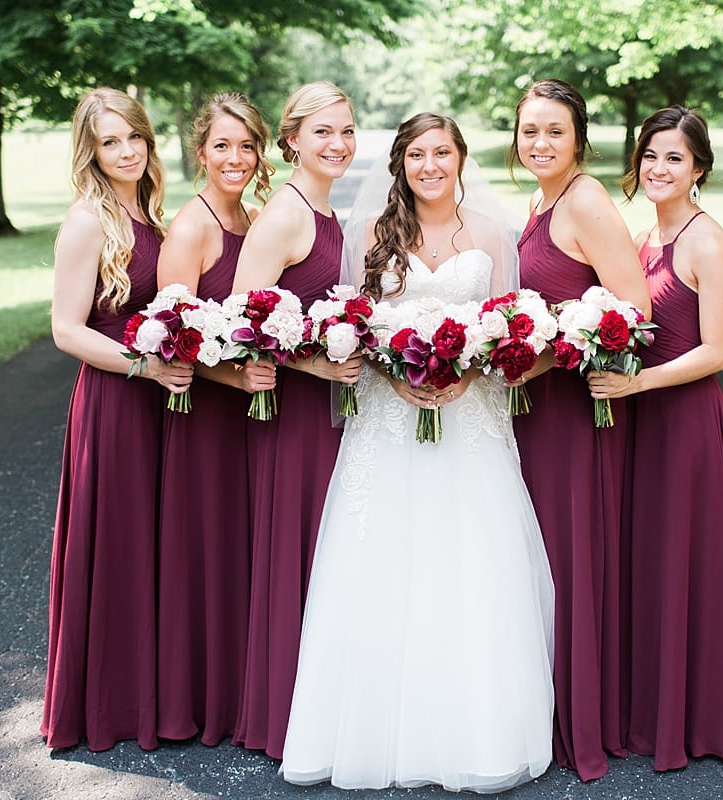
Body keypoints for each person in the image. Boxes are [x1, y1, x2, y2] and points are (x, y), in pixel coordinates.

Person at [280, 112, 554, 792]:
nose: (429, 165)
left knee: (471, 559)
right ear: (399, 163)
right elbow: (355, 328)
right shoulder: (372, 234)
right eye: (416, 154)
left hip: (471, 421)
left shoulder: (493, 234)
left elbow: (508, 330)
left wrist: (466, 373)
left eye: (442, 152)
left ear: (461, 157)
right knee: (383, 556)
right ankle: (369, 733)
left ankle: (478, 735)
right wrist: (394, 378)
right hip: (388, 421)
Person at [590, 105, 723, 771]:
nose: (659, 168)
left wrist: (638, 385)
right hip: (642, 417)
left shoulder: (704, 240)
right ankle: (646, 711)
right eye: (651, 155)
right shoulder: (642, 238)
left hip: (683, 421)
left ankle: (694, 721)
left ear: (699, 169)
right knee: (646, 560)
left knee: (682, 560)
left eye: (675, 159)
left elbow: (716, 352)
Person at [508, 78, 652, 781]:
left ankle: (583, 719)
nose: (539, 142)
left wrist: (544, 357)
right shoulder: (541, 199)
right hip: (536, 411)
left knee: (570, 555)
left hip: (572, 409)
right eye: (529, 130)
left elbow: (631, 309)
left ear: (579, 139)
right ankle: (546, 703)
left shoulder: (587, 200)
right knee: (540, 558)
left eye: (554, 132)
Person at [41, 87, 192, 751]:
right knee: (118, 548)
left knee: (153, 547)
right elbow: (66, 330)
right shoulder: (87, 220)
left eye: (133, 136)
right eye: (110, 141)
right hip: (115, 401)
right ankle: (109, 706)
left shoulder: (150, 210)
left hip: (159, 399)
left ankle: (152, 697)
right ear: (91, 151)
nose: (127, 150)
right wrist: (143, 366)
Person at [230, 81, 363, 759]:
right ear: (291, 141)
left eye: (346, 130)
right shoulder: (285, 215)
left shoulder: (327, 209)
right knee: (298, 552)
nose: (338, 144)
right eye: (322, 133)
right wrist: (313, 368)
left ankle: (324, 707)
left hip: (332, 413)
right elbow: (240, 321)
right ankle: (281, 714)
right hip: (294, 417)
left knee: (329, 555)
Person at [154, 93, 277, 746]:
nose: (236, 158)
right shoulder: (192, 227)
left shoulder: (256, 217)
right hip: (205, 418)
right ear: (200, 152)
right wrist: (236, 376)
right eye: (223, 146)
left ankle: (241, 697)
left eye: (247, 146)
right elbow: (174, 337)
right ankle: (197, 702)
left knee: (242, 553)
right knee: (206, 554)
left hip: (249, 421)